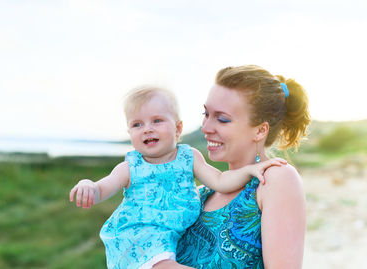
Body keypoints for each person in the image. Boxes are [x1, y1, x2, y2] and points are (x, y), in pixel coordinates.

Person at [69, 85, 286, 269]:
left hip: (168, 239)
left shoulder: (189, 157)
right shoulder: (130, 167)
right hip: (138, 238)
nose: (147, 129)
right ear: (129, 133)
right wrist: (87, 185)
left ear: (178, 128)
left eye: (157, 121)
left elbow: (220, 181)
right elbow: (102, 189)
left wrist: (249, 171)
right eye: (137, 124)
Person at [155, 65, 311, 269]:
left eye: (222, 119)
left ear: (260, 130)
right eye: (206, 114)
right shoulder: (200, 194)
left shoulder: (276, 180)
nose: (206, 127)